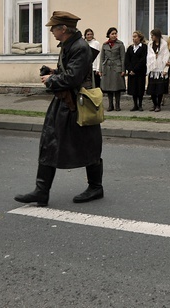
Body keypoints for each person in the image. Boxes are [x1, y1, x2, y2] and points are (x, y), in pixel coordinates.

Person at [14, 11, 104, 206]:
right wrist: (55, 72)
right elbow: (70, 71)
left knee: (88, 144)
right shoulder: (71, 45)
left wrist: (52, 79)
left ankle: (95, 187)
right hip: (66, 102)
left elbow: (73, 78)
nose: (51, 32)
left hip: (76, 104)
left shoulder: (79, 47)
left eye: (53, 28)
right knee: (50, 142)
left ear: (63, 29)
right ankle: (41, 191)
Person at [100, 27, 126, 111]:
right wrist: (101, 70)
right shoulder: (105, 45)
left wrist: (123, 69)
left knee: (117, 87)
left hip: (116, 67)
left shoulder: (120, 44)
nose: (114, 35)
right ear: (109, 35)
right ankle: (110, 105)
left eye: (115, 33)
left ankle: (117, 105)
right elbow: (102, 58)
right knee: (108, 88)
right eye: (112, 34)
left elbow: (123, 57)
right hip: (107, 68)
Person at [146, 28, 170, 112]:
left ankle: (158, 105)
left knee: (160, 89)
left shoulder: (164, 44)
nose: (151, 37)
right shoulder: (150, 44)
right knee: (152, 89)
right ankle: (154, 104)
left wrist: (165, 69)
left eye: (152, 35)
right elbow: (149, 55)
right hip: (152, 69)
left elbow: (166, 56)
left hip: (160, 69)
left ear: (156, 36)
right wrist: (153, 57)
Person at [125, 31, 147, 111]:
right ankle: (135, 105)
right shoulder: (130, 48)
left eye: (135, 36)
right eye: (133, 37)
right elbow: (127, 60)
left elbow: (143, 60)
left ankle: (140, 105)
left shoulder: (144, 47)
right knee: (133, 89)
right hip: (131, 73)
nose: (134, 38)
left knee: (140, 88)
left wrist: (135, 69)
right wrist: (130, 69)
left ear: (140, 38)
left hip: (140, 72)